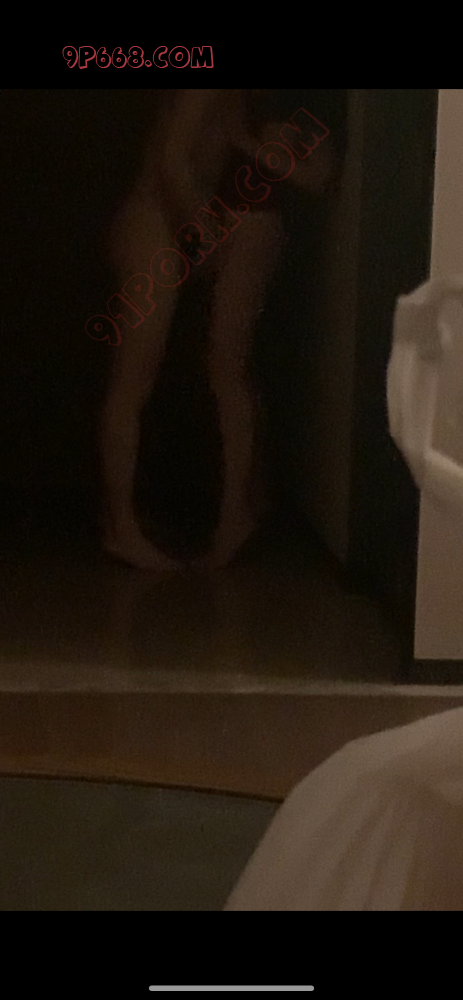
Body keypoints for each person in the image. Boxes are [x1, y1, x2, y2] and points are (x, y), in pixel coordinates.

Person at [100, 89, 339, 572]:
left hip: (168, 223)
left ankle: (138, 523)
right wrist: (204, 235)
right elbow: (171, 161)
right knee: (133, 381)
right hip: (155, 222)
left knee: (166, 376)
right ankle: (120, 528)